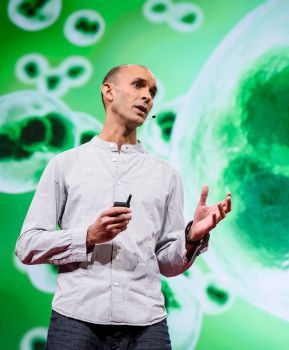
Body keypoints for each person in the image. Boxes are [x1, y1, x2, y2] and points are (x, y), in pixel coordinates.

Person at [15, 64, 231, 349]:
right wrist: (88, 237)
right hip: (76, 320)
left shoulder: (167, 175)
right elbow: (27, 246)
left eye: (152, 92)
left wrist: (192, 237)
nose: (147, 97)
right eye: (138, 85)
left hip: (147, 325)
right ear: (108, 91)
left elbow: (167, 264)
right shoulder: (64, 165)